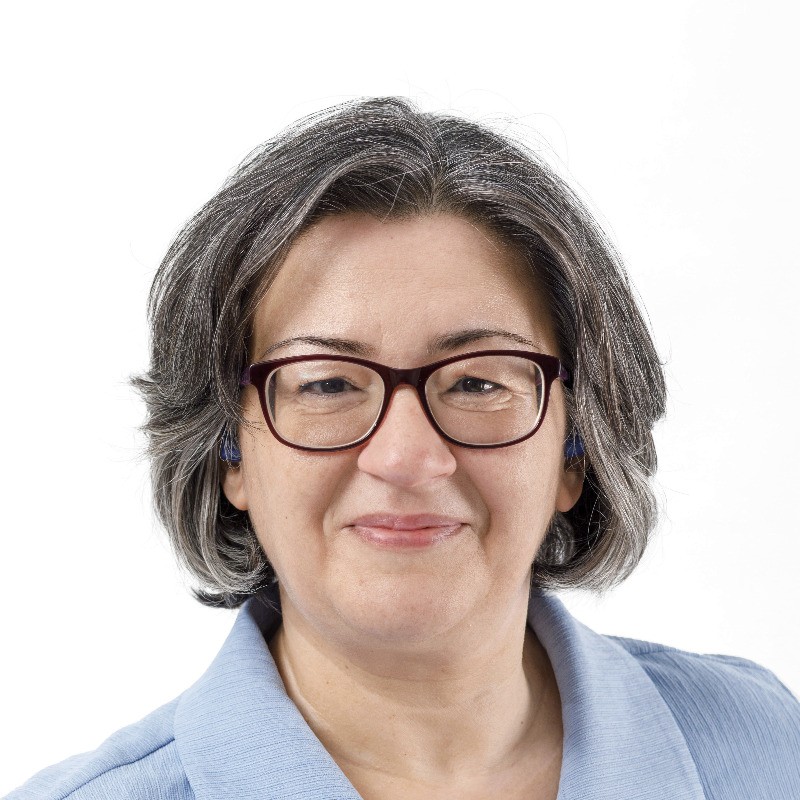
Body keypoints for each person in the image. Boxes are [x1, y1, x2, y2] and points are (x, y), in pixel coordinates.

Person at [8, 97, 799, 800]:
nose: (407, 458)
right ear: (229, 454)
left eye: (478, 383)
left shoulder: (769, 748)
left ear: (575, 448)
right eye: (327, 384)